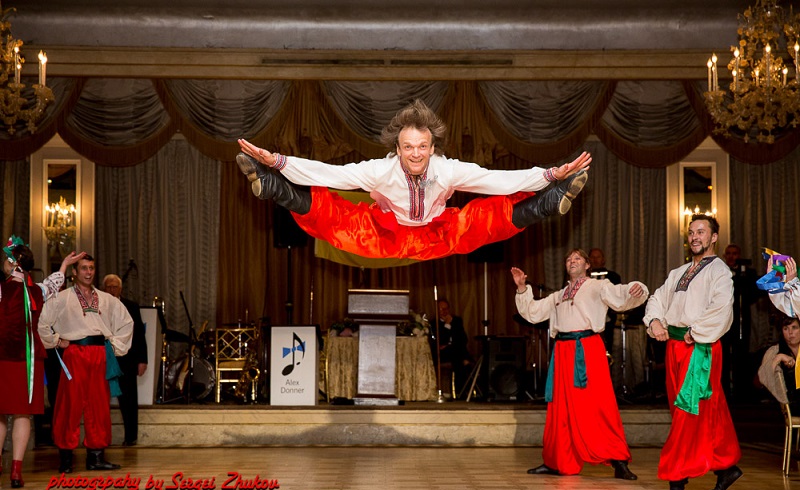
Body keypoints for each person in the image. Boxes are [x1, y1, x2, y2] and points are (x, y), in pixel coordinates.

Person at [236, 99, 591, 261]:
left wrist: (549, 175)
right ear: (397, 148)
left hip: (437, 233)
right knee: (334, 218)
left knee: (486, 218)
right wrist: (277, 161)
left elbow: (496, 179)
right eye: (408, 147)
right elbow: (331, 174)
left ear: (433, 147)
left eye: (422, 146)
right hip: (385, 233)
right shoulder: (380, 170)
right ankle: (271, 185)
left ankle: (552, 198)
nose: (416, 154)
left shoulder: (448, 169)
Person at [511, 248, 648, 480]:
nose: (572, 261)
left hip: (587, 348)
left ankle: (618, 460)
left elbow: (620, 295)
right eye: (568, 259)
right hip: (562, 351)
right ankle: (557, 461)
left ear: (587, 265)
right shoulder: (558, 295)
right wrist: (522, 288)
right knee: (560, 408)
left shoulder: (598, 286)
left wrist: (636, 288)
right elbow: (533, 312)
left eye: (577, 258)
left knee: (599, 403)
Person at [643, 214, 741, 490]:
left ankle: (677, 478)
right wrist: (655, 322)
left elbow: (721, 307)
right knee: (700, 409)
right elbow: (658, 298)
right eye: (691, 232)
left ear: (714, 237)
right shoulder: (679, 272)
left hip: (700, 348)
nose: (695, 236)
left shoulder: (720, 271)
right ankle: (726, 466)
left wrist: (696, 333)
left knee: (688, 410)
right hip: (675, 347)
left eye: (701, 231)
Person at [0, 235, 85, 488]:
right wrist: (64, 265)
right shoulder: (37, 291)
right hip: (28, 359)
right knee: (22, 414)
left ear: (14, 263)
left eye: (6, 259)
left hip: (3, 356)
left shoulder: (2, 290)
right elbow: (54, 282)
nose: (4, 262)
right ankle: (16, 470)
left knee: (1, 414)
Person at [38, 255, 133, 473]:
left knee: (99, 405)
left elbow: (127, 323)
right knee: (69, 404)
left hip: (100, 354)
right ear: (74, 272)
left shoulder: (107, 299)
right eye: (83, 268)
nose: (88, 272)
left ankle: (96, 457)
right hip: (74, 354)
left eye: (91, 268)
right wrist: (56, 341)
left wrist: (115, 347)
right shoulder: (61, 298)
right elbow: (42, 323)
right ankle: (66, 459)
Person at [101, 274, 148, 446]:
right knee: (101, 398)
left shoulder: (131, 306)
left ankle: (131, 437)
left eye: (115, 287)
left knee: (128, 399)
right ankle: (100, 438)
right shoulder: (97, 305)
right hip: (104, 357)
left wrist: (142, 360)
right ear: (104, 288)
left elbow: (139, 335)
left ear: (120, 289)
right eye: (109, 287)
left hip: (127, 359)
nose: (112, 290)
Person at [720, 243, 760, 402]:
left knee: (741, 355)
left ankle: (742, 392)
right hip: (722, 320)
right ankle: (723, 391)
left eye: (734, 253)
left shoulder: (748, 273)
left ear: (739, 255)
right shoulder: (719, 272)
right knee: (723, 356)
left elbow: (754, 295)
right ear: (724, 256)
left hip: (741, 319)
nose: (731, 257)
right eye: (728, 253)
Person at [757, 315, 800, 413]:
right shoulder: (775, 350)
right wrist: (778, 358)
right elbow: (763, 379)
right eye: (786, 328)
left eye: (794, 328)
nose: (790, 332)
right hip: (790, 404)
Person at [434, 298, 473, 395]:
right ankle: (462, 392)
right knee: (460, 360)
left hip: (457, 351)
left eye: (446, 308)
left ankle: (466, 391)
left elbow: (463, 339)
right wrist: (447, 325)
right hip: (443, 355)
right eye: (441, 309)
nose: (444, 311)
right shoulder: (434, 323)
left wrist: (448, 345)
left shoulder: (457, 321)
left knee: (459, 358)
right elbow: (441, 340)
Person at [588, 247, 621, 357]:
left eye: (598, 257)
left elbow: (616, 297)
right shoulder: (583, 277)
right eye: (592, 257)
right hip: (587, 319)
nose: (595, 260)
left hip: (607, 319)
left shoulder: (613, 277)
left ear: (603, 259)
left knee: (606, 348)